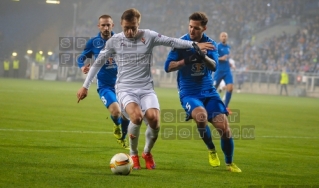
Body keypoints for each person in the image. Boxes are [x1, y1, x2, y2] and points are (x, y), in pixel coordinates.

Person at [77, 8, 214, 170]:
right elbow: (98, 62)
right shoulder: (114, 41)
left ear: (138, 25)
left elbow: (172, 41)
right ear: (121, 25)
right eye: (126, 27)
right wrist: (85, 86)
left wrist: (194, 44)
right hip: (125, 89)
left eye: (133, 27)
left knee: (155, 120)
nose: (129, 31)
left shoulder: (148, 36)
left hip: (146, 88)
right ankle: (133, 154)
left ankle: (147, 152)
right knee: (136, 117)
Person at [164, 12, 241, 172]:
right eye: (190, 27)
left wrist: (203, 57)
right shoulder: (180, 43)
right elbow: (168, 67)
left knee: (225, 130)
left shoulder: (211, 44)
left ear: (204, 28)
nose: (192, 30)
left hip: (208, 91)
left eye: (196, 28)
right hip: (189, 93)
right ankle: (211, 149)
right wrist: (188, 59)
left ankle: (229, 163)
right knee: (201, 117)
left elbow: (214, 66)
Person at [77, 15, 129, 149]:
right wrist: (83, 66)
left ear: (113, 25)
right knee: (116, 112)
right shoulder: (93, 42)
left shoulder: (121, 40)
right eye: (103, 25)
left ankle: (123, 137)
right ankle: (117, 127)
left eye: (108, 25)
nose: (106, 28)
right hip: (105, 86)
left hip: (122, 85)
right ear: (98, 26)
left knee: (127, 115)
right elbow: (81, 58)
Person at [213, 32, 234, 114]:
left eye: (225, 36)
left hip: (227, 71)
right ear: (220, 37)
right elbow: (213, 57)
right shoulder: (217, 46)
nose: (224, 37)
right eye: (222, 36)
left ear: (227, 38)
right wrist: (221, 58)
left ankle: (225, 107)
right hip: (219, 71)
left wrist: (229, 63)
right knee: (213, 89)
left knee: (230, 88)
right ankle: (208, 105)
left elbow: (227, 58)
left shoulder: (229, 47)